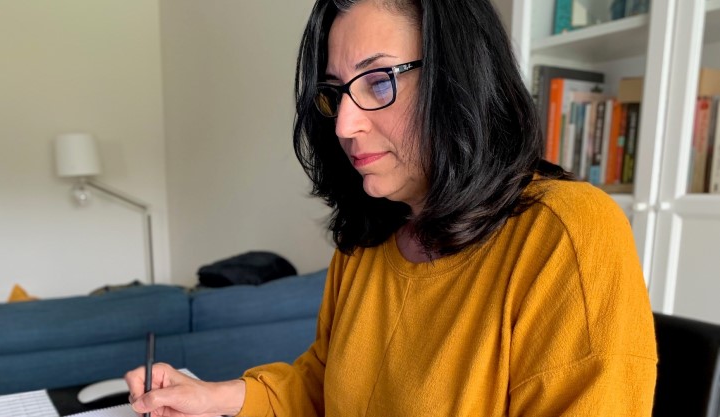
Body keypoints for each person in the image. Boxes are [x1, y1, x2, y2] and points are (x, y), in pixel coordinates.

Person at [125, 0, 658, 415]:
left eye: (379, 81)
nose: (343, 125)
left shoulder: (566, 234)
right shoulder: (368, 238)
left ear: (461, 78)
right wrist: (220, 398)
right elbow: (323, 385)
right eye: (336, 92)